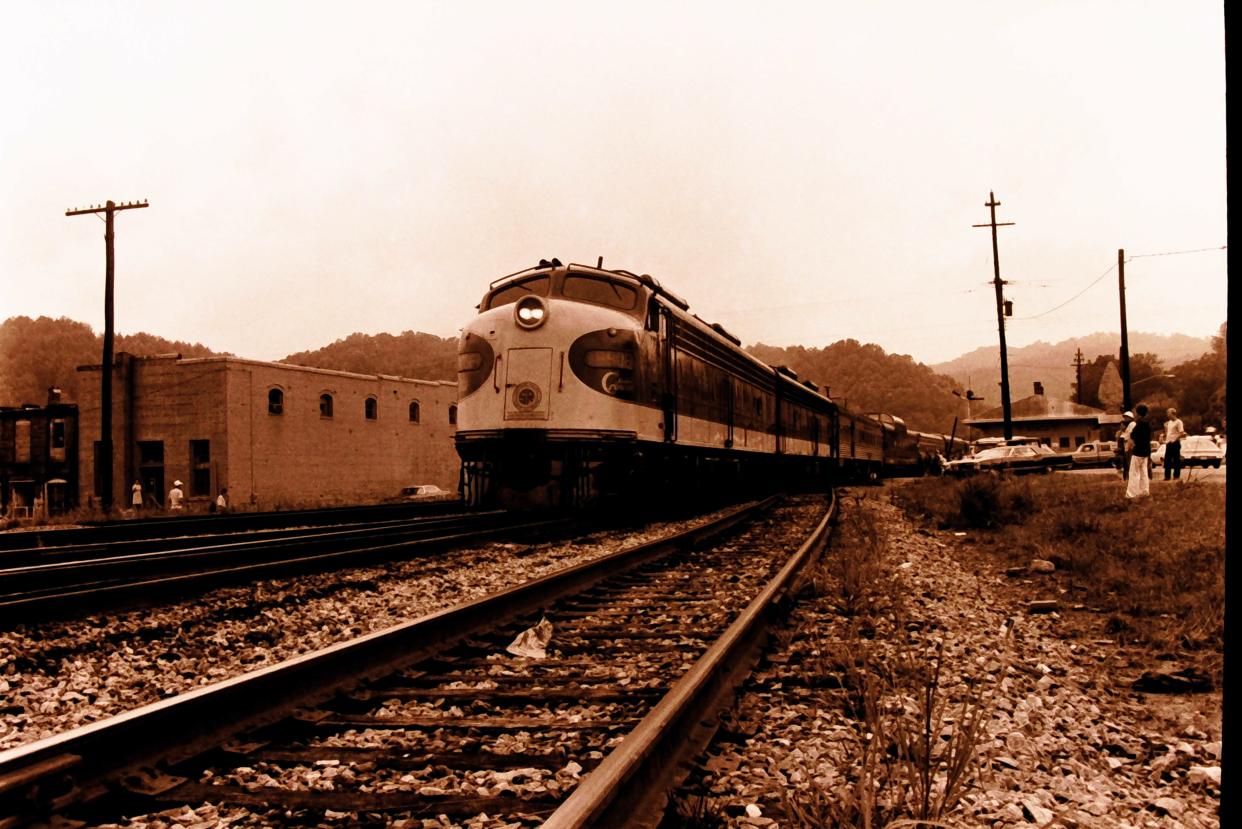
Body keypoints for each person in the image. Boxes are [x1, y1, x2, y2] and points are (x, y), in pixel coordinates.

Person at [1125, 405, 1152, 499]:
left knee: (1134, 473)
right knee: (1144, 472)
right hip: (1146, 451)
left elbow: (1132, 435)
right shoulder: (1148, 424)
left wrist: (1130, 446)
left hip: (1138, 451)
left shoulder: (1139, 424)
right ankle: (1144, 491)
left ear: (1138, 414)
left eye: (1136, 412)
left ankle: (1131, 494)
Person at [1163, 407, 1185, 481]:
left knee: (1176, 459)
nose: (1167, 415)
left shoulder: (1178, 422)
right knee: (1167, 459)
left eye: (1168, 413)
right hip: (1169, 442)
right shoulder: (1169, 422)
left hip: (1175, 443)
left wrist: (1175, 439)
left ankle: (1176, 476)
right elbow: (1168, 433)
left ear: (1173, 414)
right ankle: (1167, 476)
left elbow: (1181, 432)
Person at [1116, 411, 1134, 480]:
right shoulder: (1128, 426)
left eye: (1126, 417)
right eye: (1124, 417)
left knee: (1129, 464)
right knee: (1127, 465)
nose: (1125, 418)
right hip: (1127, 448)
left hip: (1129, 448)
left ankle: (1130, 478)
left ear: (1130, 418)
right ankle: (1127, 478)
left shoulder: (1132, 424)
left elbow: (1130, 436)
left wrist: (1123, 437)